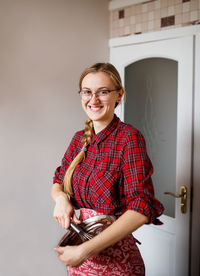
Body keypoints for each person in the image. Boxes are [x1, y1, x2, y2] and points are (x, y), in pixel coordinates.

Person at [52, 62, 164, 276]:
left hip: (115, 260)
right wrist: (60, 200)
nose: (93, 100)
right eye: (87, 92)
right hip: (81, 256)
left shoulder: (129, 139)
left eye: (103, 92)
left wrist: (84, 250)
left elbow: (141, 208)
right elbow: (58, 180)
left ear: (119, 95)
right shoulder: (79, 139)